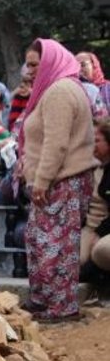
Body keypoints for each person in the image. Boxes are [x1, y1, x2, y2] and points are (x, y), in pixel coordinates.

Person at [21, 38, 96, 323]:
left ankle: (61, 308)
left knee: (56, 246)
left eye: (34, 65)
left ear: (50, 63)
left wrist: (41, 181)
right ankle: (43, 301)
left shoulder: (59, 91)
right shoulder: (59, 88)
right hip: (56, 181)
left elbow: (56, 144)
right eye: (27, 65)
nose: (28, 71)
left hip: (60, 182)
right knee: (40, 241)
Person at [80, 121, 110, 287]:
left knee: (101, 251)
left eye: (97, 140)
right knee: (71, 262)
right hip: (89, 228)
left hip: (104, 229)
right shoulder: (91, 168)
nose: (93, 145)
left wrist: (99, 233)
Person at [76, 51, 109, 119]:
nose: (79, 69)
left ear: (94, 65)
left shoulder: (108, 88)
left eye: (83, 65)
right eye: (76, 66)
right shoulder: (75, 90)